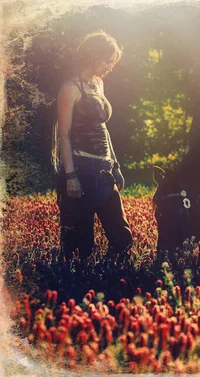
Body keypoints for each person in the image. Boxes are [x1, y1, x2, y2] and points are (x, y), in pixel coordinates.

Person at [52, 30, 133, 263]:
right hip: (82, 168)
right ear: (95, 57)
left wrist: (115, 165)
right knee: (79, 243)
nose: (110, 67)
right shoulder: (70, 88)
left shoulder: (98, 84)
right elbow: (64, 134)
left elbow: (103, 129)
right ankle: (80, 288)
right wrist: (71, 176)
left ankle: (113, 281)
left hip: (104, 170)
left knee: (121, 236)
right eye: (108, 61)